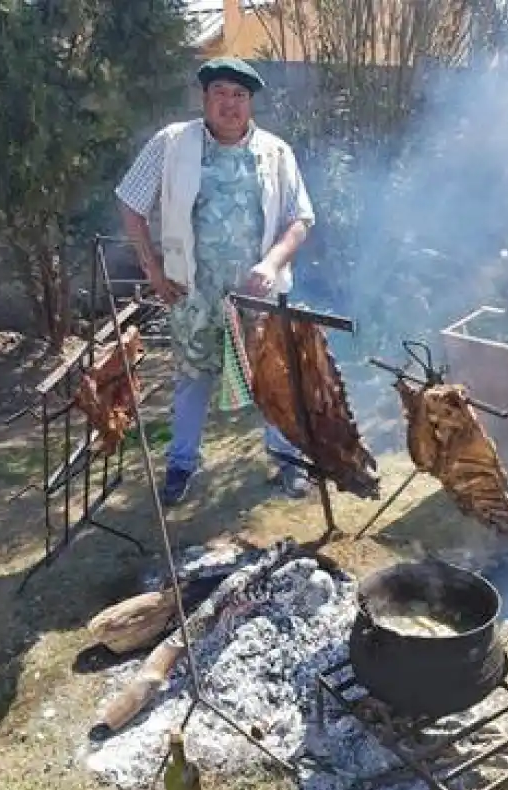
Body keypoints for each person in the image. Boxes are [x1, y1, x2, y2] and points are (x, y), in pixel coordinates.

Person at [115, 57, 316, 506]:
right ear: (204, 99)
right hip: (193, 292)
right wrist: (152, 269)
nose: (230, 104)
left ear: (250, 103)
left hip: (258, 295)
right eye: (220, 93)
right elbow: (130, 202)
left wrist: (271, 265)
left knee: (273, 374)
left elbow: (300, 219)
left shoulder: (276, 152)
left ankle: (286, 457)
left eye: (239, 95)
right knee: (193, 377)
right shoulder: (172, 143)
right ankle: (182, 463)